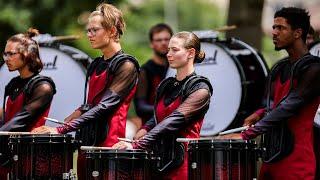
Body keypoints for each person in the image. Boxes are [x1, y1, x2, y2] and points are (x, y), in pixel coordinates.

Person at [32, 3, 140, 179]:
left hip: (109, 147)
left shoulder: (126, 65)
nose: (89, 35)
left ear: (112, 31)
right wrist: (78, 111)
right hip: (87, 142)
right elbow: (91, 103)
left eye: (94, 30)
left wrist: (61, 130)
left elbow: (105, 106)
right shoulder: (96, 65)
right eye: (88, 30)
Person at [225, 7, 320, 180]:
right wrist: (258, 113)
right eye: (274, 27)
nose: (274, 33)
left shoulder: (314, 68)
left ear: (298, 33)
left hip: (296, 161)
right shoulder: (280, 68)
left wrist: (246, 134)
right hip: (271, 156)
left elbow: (289, 106)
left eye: (280, 28)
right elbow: (273, 104)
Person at [113, 31, 213, 180]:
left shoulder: (201, 89)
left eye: (175, 50)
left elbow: (173, 120)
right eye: (168, 50)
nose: (168, 54)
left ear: (191, 52)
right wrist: (144, 129)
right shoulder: (166, 85)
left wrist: (137, 145)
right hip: (158, 160)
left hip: (183, 165)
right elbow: (158, 116)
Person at [0, 28, 56, 179]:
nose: (6, 58)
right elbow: (6, 117)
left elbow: (21, 120)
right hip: (8, 152)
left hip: (31, 157)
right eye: (5, 53)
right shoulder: (12, 84)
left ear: (27, 55)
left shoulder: (43, 86)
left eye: (11, 54)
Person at [133, 23, 173, 140]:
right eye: (159, 40)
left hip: (173, 128)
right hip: (150, 131)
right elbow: (140, 108)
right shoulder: (145, 70)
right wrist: (168, 109)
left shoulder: (177, 68)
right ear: (151, 43)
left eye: (167, 39)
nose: (163, 43)